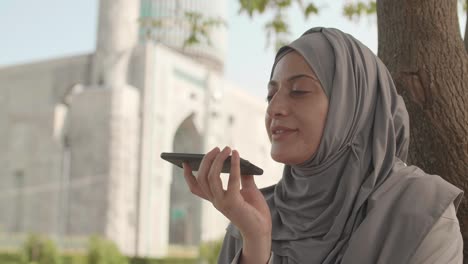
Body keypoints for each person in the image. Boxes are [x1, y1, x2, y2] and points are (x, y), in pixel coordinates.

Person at [182, 27, 464, 263]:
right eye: (271, 95)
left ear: (353, 107)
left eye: (299, 91)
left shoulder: (419, 210)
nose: (275, 108)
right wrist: (256, 245)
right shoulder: (250, 219)